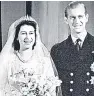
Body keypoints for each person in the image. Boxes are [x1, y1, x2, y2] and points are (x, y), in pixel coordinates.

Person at [0, 16, 62, 96]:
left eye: (31, 33)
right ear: (16, 37)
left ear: (35, 36)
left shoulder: (44, 62)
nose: (28, 37)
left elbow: (52, 91)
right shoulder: (8, 60)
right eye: (23, 33)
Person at [51, 1, 94, 96]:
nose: (77, 21)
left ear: (86, 18)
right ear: (66, 20)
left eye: (80, 16)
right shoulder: (58, 50)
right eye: (72, 17)